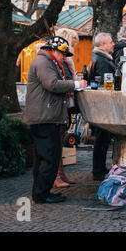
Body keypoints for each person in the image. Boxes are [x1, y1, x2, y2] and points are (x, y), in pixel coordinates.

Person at [23, 36, 87, 204]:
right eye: (62, 53)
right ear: (53, 50)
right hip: (45, 118)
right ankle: (42, 194)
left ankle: (41, 192)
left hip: (46, 117)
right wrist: (75, 85)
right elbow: (51, 84)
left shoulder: (46, 61)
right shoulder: (43, 62)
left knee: (44, 157)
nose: (64, 57)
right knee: (48, 157)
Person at [52, 28, 80, 188]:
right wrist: (75, 80)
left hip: (63, 106)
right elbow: (64, 82)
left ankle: (60, 174)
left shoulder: (64, 61)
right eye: (73, 44)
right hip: (60, 106)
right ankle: (57, 175)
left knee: (60, 141)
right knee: (57, 141)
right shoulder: (62, 62)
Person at [89, 32, 116, 180]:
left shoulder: (98, 58)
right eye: (111, 42)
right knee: (102, 138)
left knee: (102, 138)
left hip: (100, 105)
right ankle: (98, 171)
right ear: (102, 45)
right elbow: (104, 85)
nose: (113, 44)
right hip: (103, 106)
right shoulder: (103, 61)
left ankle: (99, 169)